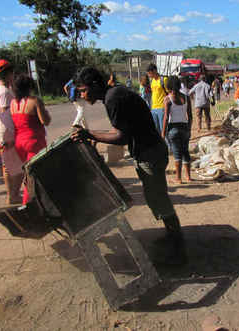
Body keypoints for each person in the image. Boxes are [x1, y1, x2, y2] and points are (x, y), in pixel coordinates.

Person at [71, 67, 187, 266]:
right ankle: (173, 238)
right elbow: (122, 128)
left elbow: (121, 136)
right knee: (155, 198)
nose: (81, 95)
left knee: (159, 199)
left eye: (82, 90)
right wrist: (95, 136)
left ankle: (179, 249)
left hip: (149, 152)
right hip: (148, 151)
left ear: (94, 85)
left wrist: (90, 134)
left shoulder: (113, 98)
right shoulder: (115, 94)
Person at [11, 74, 51, 205]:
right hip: (33, 141)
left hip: (19, 142)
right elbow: (45, 121)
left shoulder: (13, 103)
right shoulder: (34, 101)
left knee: (28, 173)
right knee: (34, 175)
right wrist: (47, 113)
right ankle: (28, 203)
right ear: (30, 86)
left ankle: (32, 201)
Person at [0, 59, 23, 205]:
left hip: (1, 132)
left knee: (8, 166)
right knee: (18, 166)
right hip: (8, 133)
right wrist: (15, 134)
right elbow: (6, 115)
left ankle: (12, 194)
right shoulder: (4, 92)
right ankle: (13, 195)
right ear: (9, 74)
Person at [161, 76, 193, 184]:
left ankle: (178, 178)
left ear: (168, 86)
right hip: (184, 127)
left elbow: (166, 117)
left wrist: (162, 133)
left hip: (173, 128)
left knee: (176, 153)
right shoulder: (186, 97)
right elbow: (190, 115)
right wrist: (189, 129)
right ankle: (188, 177)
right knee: (185, 152)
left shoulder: (168, 99)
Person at [147, 63, 168, 135]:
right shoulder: (152, 81)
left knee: (163, 129)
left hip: (162, 108)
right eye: (148, 74)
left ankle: (167, 145)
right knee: (156, 130)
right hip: (153, 108)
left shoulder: (164, 80)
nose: (149, 76)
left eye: (150, 73)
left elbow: (169, 93)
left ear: (155, 71)